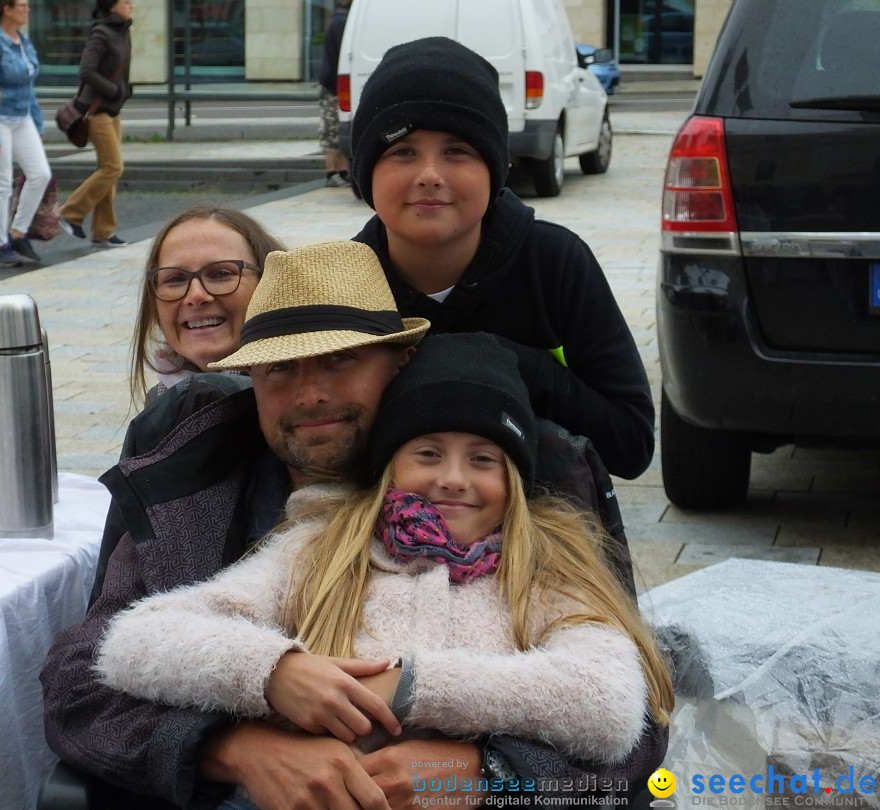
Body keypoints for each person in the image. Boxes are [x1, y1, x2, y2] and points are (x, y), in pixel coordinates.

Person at [40, 241, 668, 809]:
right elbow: (80, 683)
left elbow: (637, 723)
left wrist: (492, 773)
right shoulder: (189, 485)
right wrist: (234, 749)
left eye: (339, 360)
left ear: (401, 363)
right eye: (280, 369)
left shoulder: (523, 487)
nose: (309, 394)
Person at [350, 37, 654, 480]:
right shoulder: (341, 282)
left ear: (494, 168)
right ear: (366, 172)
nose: (430, 175)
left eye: (458, 151)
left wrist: (511, 365)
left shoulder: (556, 264)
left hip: (542, 531)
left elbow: (631, 445)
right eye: (402, 151)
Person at [129, 205, 285, 407]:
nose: (196, 295)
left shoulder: (307, 403)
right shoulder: (160, 405)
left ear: (268, 282)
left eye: (221, 274)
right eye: (175, 279)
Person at [0, 0, 52, 268]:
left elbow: (30, 87)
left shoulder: (24, 42)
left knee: (40, 174)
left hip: (21, 117)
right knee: (2, 183)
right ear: (6, 9)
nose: (27, 9)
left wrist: (37, 125)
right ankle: (0, 245)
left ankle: (17, 233)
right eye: (22, 5)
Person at [56, 0, 133, 249]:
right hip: (97, 111)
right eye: (126, 1)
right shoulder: (101, 32)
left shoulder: (122, 30)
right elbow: (86, 70)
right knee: (113, 167)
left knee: (108, 170)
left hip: (113, 111)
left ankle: (103, 230)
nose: (131, 5)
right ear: (112, 6)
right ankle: (70, 212)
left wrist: (123, 91)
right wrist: (113, 90)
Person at [317, 0, 351, 188]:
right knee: (333, 132)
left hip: (333, 84)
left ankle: (342, 172)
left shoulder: (339, 20)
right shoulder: (341, 22)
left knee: (337, 131)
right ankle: (332, 173)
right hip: (333, 86)